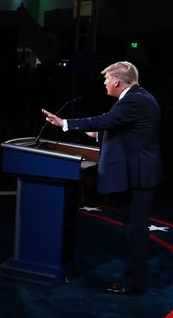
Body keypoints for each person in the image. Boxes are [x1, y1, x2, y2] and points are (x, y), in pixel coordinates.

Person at [41, 61, 162, 294]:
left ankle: (134, 283)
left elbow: (106, 120)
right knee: (133, 230)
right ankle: (133, 279)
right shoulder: (138, 96)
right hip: (138, 173)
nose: (105, 84)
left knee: (136, 232)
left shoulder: (133, 99)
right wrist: (99, 132)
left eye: (106, 80)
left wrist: (65, 123)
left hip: (138, 175)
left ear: (117, 81)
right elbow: (123, 128)